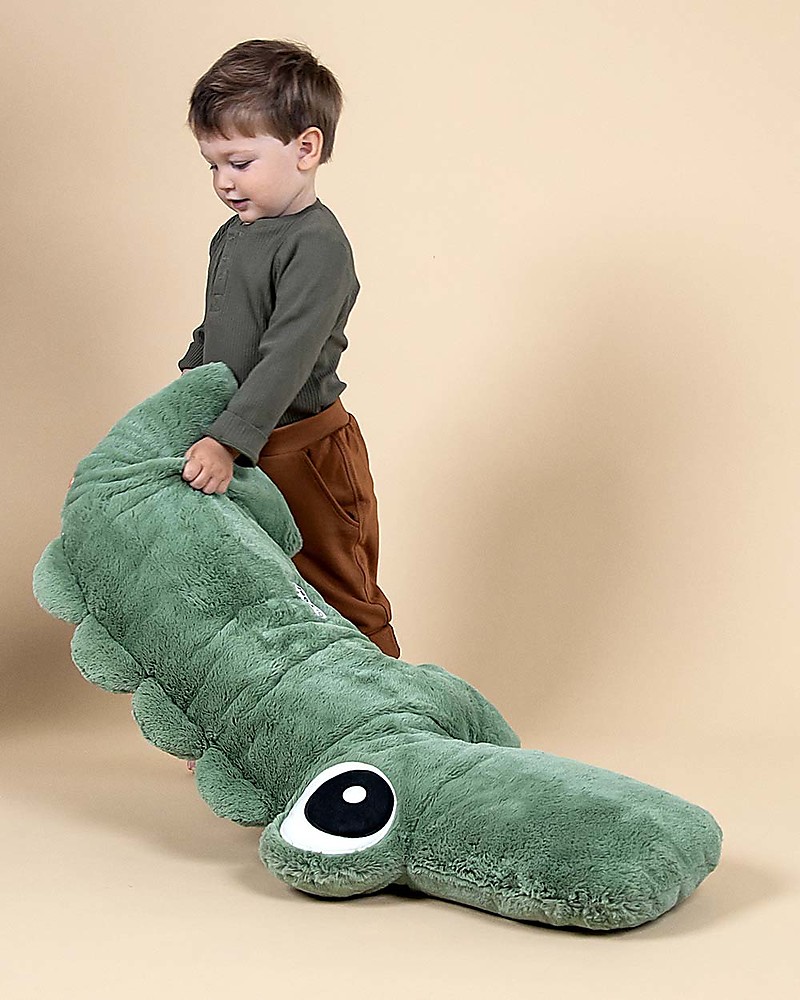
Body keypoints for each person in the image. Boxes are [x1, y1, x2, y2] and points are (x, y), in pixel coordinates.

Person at [176, 38, 401, 665]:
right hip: (235, 441)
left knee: (340, 591)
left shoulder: (318, 244)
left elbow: (287, 358)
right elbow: (212, 337)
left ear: (306, 149)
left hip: (306, 452)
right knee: (257, 596)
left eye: (239, 162)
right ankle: (286, 713)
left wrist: (227, 441)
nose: (224, 182)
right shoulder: (232, 236)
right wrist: (184, 412)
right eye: (212, 166)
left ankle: (403, 710)